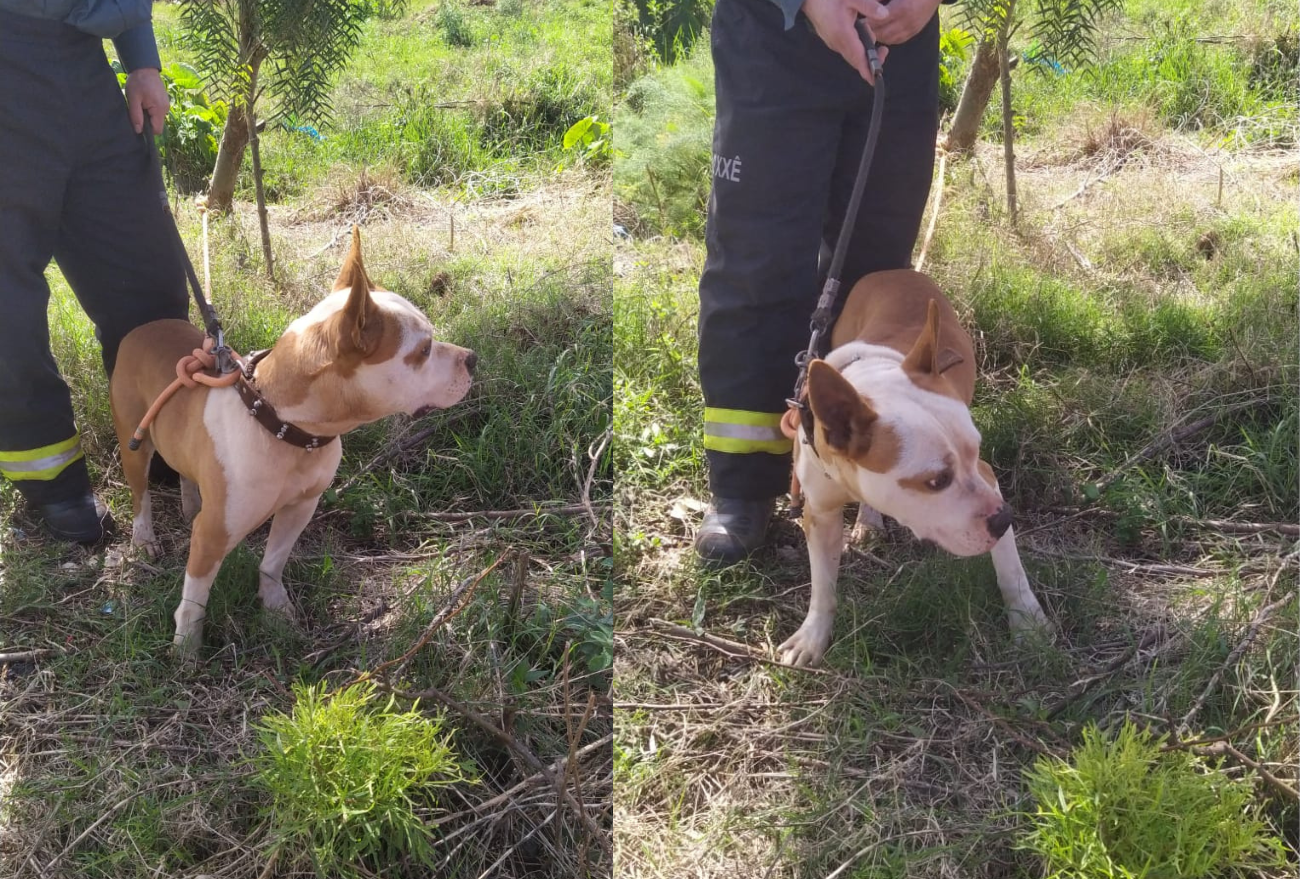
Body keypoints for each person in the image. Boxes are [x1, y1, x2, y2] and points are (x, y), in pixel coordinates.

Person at [695, 0, 946, 565]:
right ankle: (744, 483)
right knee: (756, 262)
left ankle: (857, 465)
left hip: (899, 45)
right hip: (773, 39)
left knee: (875, 270)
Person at [0, 1, 189, 544]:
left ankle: (166, 436)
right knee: (7, 297)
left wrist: (141, 61)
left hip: (80, 55)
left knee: (145, 270)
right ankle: (50, 481)